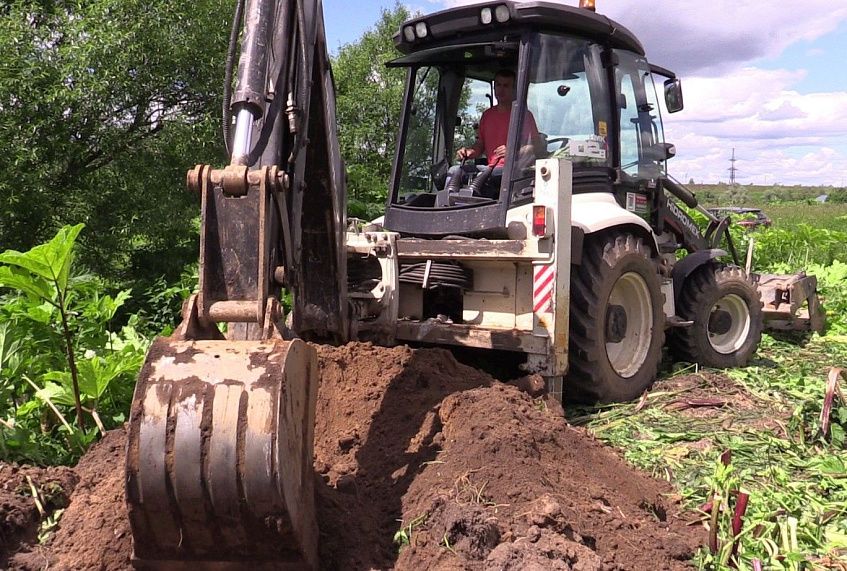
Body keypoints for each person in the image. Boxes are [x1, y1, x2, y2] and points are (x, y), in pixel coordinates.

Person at [455, 69, 545, 171]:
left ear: (514, 89)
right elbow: (480, 144)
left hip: (516, 173)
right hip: (491, 172)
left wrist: (512, 152)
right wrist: (469, 152)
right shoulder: (487, 115)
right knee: (455, 172)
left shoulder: (523, 116)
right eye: (498, 85)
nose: (501, 90)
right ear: (494, 88)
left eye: (506, 86)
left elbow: (536, 147)